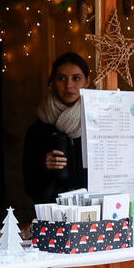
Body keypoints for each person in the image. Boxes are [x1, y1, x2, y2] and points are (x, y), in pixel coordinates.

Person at [23, 53, 90, 203]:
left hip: (93, 212)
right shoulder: (38, 130)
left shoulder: (97, 124)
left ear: (87, 82)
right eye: (62, 78)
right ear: (53, 82)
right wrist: (44, 168)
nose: (69, 85)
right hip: (53, 215)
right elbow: (30, 188)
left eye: (76, 78)